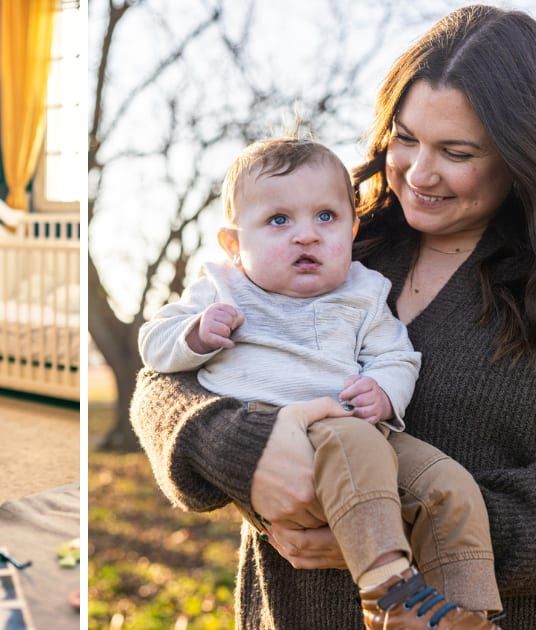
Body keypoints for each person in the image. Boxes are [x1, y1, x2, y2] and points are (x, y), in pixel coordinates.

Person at [129, 5, 536, 629]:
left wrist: (409, 534)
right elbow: (166, 378)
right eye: (406, 137)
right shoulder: (337, 242)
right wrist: (236, 446)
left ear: (522, 154)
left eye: (456, 151)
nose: (420, 174)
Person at [139, 137, 499, 629]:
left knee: (447, 484)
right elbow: (153, 345)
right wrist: (196, 334)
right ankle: (390, 594)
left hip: (366, 435)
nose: (306, 235)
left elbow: (396, 356)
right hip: (285, 436)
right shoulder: (222, 287)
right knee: (353, 438)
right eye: (279, 220)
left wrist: (384, 390)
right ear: (233, 243)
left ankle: (466, 612)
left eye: (325, 217)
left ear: (352, 229)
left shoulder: (364, 290)